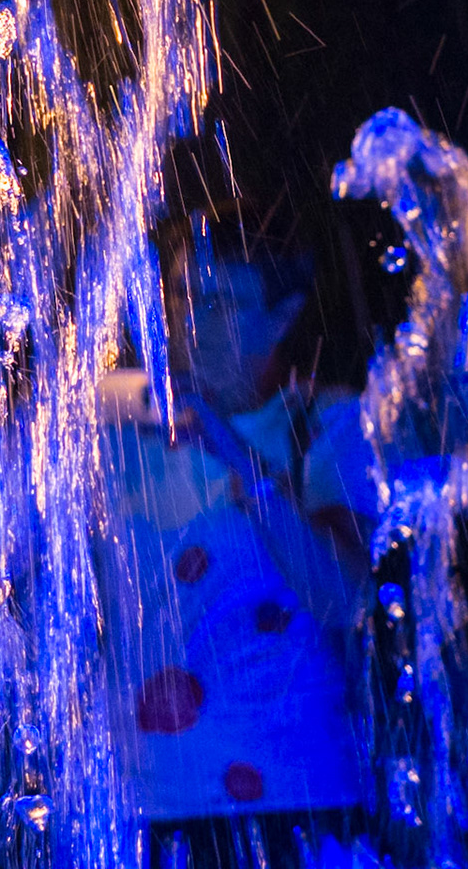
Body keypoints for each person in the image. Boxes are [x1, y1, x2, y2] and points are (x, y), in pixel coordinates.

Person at [95, 214, 378, 869]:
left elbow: (345, 597)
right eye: (181, 294)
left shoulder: (326, 426)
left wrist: (237, 455)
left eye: (220, 302)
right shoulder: (115, 429)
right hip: (144, 815)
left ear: (281, 319)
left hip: (297, 808)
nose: (189, 321)